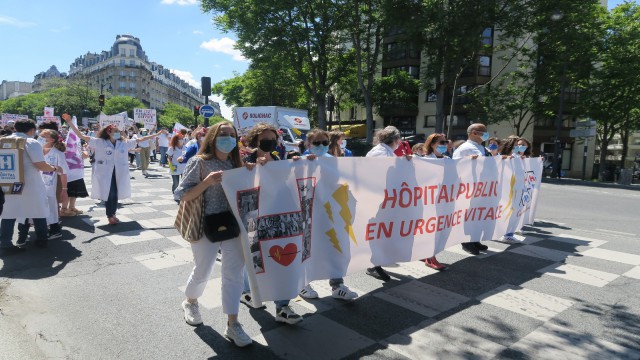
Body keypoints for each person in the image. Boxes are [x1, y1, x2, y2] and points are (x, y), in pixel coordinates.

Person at [174, 122, 253, 347]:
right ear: (212, 137)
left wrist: (255, 168)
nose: (228, 138)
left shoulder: (236, 163)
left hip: (232, 225)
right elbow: (183, 195)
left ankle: (233, 323)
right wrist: (207, 182)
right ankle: (190, 302)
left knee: (234, 274)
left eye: (231, 135)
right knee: (203, 269)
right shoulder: (198, 162)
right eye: (223, 134)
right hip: (204, 224)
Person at [239, 123, 305, 323]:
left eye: (273, 138)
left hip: (277, 218)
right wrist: (248, 170)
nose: (270, 142)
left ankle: (282, 306)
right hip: (253, 218)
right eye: (265, 139)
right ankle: (247, 291)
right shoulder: (245, 161)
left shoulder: (278, 159)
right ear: (255, 141)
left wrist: (299, 163)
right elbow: (239, 186)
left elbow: (286, 183)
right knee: (253, 257)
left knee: (278, 259)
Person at [67, 121, 162, 225]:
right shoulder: (99, 142)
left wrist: (156, 135)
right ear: (108, 132)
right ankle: (110, 215)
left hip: (119, 173)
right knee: (110, 193)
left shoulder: (123, 143)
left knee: (115, 194)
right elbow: (81, 135)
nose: (118, 133)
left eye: (119, 131)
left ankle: (113, 214)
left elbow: (140, 139)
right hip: (105, 174)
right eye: (115, 131)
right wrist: (69, 122)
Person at [0, 119, 63, 254]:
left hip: (8, 182)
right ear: (32, 130)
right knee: (38, 210)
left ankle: (5, 243)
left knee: (8, 213)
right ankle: (42, 239)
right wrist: (54, 168)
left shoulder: (2, 141)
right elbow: (40, 165)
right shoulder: (31, 142)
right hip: (30, 184)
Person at [365, 126, 410, 281]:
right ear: (397, 140)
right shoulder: (380, 153)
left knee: (381, 232)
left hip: (383, 199)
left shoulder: (386, 151)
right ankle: (373, 265)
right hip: (377, 199)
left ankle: (376, 263)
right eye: (400, 140)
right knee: (377, 232)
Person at [452, 123, 491, 255]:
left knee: (476, 215)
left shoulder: (481, 147)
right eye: (483, 132)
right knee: (467, 215)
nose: (486, 134)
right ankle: (466, 242)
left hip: (481, 187)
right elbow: (455, 166)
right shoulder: (465, 148)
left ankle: (475, 239)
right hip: (469, 188)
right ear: (474, 132)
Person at [421, 133, 450, 270]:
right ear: (432, 144)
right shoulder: (424, 160)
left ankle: (427, 254)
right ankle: (430, 257)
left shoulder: (449, 159)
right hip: (429, 201)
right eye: (441, 142)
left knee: (439, 228)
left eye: (445, 142)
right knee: (431, 229)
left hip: (444, 200)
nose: (444, 145)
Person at [39, 129, 70, 239]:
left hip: (50, 186)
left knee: (51, 207)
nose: (40, 138)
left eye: (43, 136)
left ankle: (55, 229)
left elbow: (63, 172)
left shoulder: (57, 153)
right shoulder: (35, 151)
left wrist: (64, 189)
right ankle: (42, 228)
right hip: (36, 185)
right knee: (38, 207)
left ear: (51, 139)